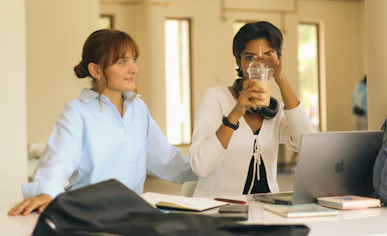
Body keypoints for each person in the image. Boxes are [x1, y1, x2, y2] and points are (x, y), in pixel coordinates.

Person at [8, 29, 197, 216]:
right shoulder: (77, 111)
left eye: (133, 60)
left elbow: (167, 160)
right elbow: (60, 157)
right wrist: (47, 191)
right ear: (95, 70)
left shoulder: (138, 108)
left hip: (132, 215)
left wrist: (211, 168)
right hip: (89, 215)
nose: (134, 68)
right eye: (123, 62)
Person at [189, 21, 313, 197]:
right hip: (220, 210)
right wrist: (235, 113)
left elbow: (305, 142)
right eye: (249, 58)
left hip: (267, 210)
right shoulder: (215, 98)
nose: (258, 65)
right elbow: (201, 167)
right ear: (238, 61)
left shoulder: (273, 109)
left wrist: (282, 80)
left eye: (267, 57)